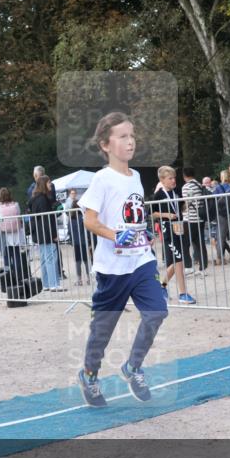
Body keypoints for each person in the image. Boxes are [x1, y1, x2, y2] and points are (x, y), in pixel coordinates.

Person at [75, 111, 166, 407]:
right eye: (123, 136)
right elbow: (90, 220)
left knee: (156, 312)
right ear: (105, 144)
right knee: (102, 332)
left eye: (133, 135)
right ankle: (89, 375)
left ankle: (133, 367)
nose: (131, 142)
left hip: (140, 261)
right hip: (112, 269)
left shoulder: (137, 176)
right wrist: (116, 236)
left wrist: (144, 234)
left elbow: (133, 215)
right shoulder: (102, 179)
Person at [149, 166, 196, 304]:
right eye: (170, 178)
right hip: (167, 229)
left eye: (174, 177)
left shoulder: (176, 191)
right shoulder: (158, 195)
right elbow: (152, 212)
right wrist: (166, 215)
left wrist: (187, 203)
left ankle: (161, 286)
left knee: (177, 261)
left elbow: (180, 207)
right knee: (179, 260)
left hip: (179, 226)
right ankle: (182, 293)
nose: (173, 180)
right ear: (162, 180)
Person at [28, 175, 63, 291]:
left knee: (44, 258)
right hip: (46, 232)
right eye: (49, 183)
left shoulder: (34, 198)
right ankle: (53, 284)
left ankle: (47, 284)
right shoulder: (44, 199)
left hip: (39, 232)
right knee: (51, 258)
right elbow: (47, 219)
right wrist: (53, 234)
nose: (50, 185)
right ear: (44, 184)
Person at [180, 166, 208, 274]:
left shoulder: (187, 186)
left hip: (190, 219)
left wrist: (182, 209)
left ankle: (188, 266)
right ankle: (203, 268)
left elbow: (188, 201)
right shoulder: (199, 184)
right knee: (200, 243)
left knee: (185, 243)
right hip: (200, 218)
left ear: (184, 175)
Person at [66, 188, 92, 286]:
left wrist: (71, 241)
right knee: (86, 260)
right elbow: (87, 230)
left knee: (77, 261)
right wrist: (89, 241)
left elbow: (69, 232)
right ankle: (89, 278)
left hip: (76, 242)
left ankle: (79, 279)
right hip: (84, 241)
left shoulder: (70, 220)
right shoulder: (83, 218)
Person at [211, 169, 230, 264]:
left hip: (218, 213)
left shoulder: (218, 188)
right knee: (222, 236)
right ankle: (221, 257)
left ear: (222, 177)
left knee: (219, 237)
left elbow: (213, 200)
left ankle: (219, 258)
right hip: (227, 214)